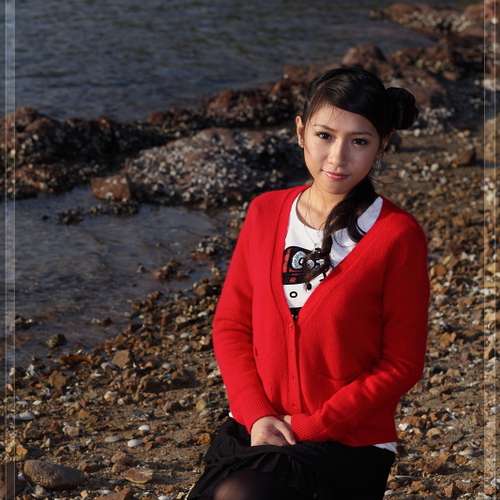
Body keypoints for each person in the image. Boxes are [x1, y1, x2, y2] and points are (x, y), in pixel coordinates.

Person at [186, 66, 431, 500]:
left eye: (359, 141)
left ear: (382, 145)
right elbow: (231, 327)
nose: (337, 157)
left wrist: (311, 425)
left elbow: (401, 364)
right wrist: (257, 415)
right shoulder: (264, 213)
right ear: (300, 132)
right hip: (258, 428)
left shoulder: (397, 236)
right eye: (325, 136)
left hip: (347, 441)